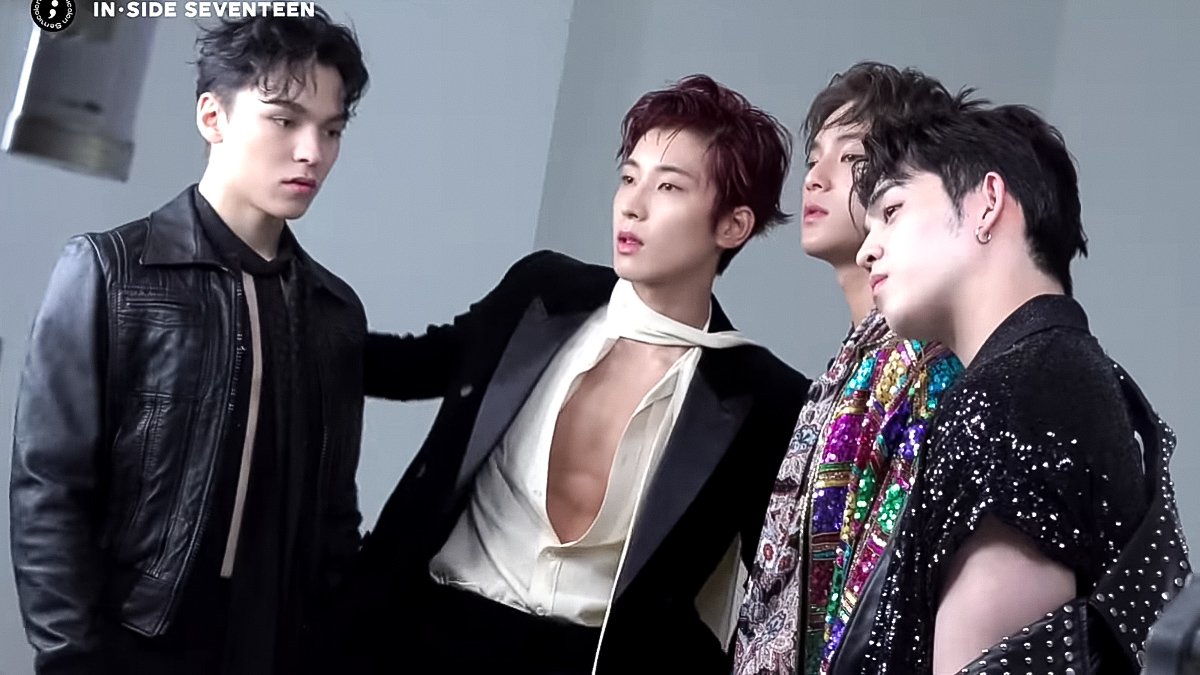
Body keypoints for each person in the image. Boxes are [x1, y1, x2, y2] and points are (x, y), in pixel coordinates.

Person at [343, 74, 809, 674]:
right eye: (629, 178)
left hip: (590, 659)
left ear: (733, 226)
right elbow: (414, 364)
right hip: (428, 635)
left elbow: (782, 591)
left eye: (669, 186)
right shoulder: (542, 293)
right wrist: (284, 315)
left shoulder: (761, 397)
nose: (633, 204)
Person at [10, 8, 370, 674]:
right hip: (137, 643)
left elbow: (333, 514)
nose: (312, 152)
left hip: (276, 647)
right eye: (285, 121)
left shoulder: (333, 310)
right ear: (213, 117)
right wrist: (72, 660)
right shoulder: (110, 271)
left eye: (331, 130)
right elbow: (49, 490)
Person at [848, 88, 1188, 671]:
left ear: (987, 203)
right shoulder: (1070, 376)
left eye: (892, 210)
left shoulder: (1010, 396)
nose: (866, 251)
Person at [732, 62, 964, 675]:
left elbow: (889, 599)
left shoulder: (922, 366)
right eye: (814, 158)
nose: (816, 176)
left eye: (851, 158)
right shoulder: (854, 363)